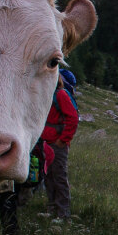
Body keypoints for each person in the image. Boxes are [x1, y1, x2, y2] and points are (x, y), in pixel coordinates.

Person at [39, 67, 80, 220]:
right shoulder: (48, 94)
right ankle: (52, 209)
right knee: (48, 177)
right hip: (46, 143)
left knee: (59, 177)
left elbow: (73, 118)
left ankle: (63, 214)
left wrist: (63, 140)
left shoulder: (61, 94)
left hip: (57, 144)